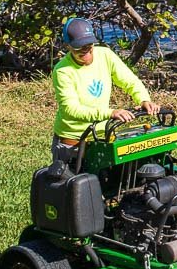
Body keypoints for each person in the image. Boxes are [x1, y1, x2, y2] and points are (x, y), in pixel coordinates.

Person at [50, 18, 157, 168]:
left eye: (89, 45)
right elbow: (71, 109)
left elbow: (129, 80)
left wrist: (143, 99)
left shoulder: (105, 55)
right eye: (79, 48)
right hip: (72, 141)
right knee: (75, 188)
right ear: (68, 46)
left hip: (103, 136)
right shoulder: (62, 71)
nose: (86, 51)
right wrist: (110, 113)